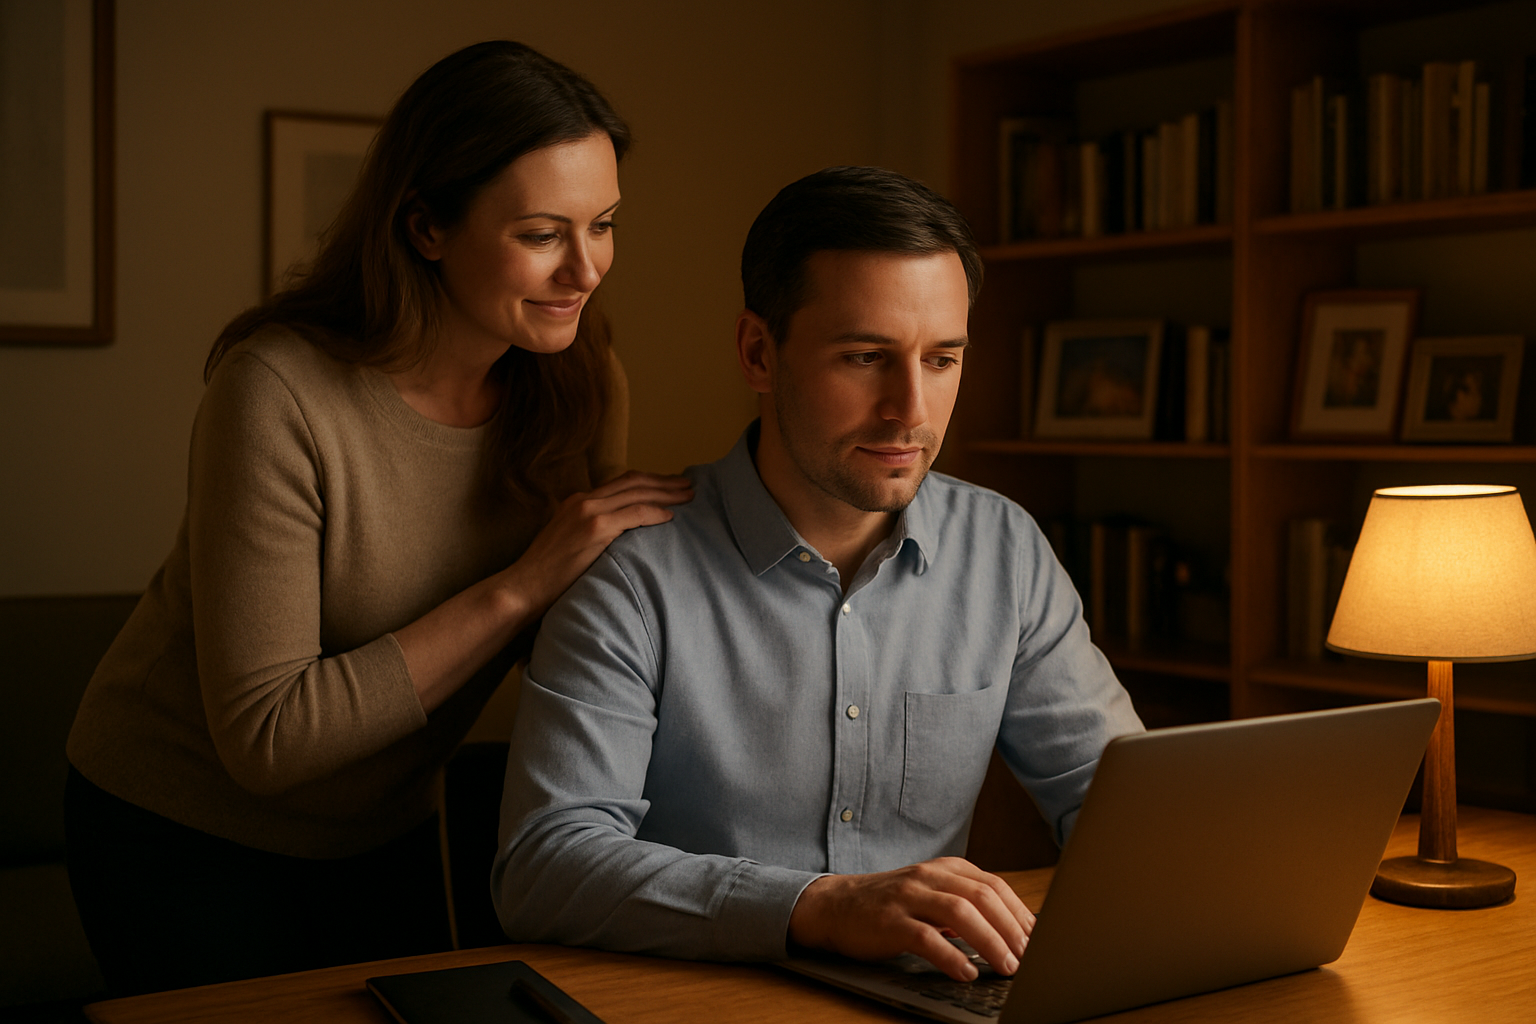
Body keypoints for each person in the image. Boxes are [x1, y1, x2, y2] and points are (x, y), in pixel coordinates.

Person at [64, 41, 690, 996]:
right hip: (180, 828)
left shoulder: (581, 373)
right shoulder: (276, 392)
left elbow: (586, 618)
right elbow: (269, 740)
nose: (586, 270)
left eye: (602, 225)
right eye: (541, 234)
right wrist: (521, 586)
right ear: (426, 226)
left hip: (389, 824)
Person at [493, 166, 1144, 983]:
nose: (910, 409)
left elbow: (1122, 806)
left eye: (942, 359)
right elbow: (544, 867)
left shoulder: (1003, 549)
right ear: (758, 353)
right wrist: (818, 908)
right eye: (866, 357)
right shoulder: (631, 576)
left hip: (933, 996)